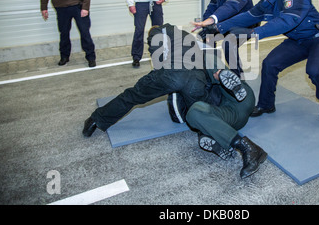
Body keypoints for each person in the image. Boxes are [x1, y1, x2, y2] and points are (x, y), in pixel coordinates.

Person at [82, 24, 267, 179]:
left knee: (136, 96)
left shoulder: (156, 32)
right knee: (207, 82)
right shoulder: (184, 36)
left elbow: (159, 58)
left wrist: (154, 79)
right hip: (236, 100)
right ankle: (223, 102)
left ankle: (97, 120)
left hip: (177, 74)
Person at [203, 0, 319, 119]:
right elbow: (250, 15)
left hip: (318, 39)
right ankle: (266, 105)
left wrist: (253, 32)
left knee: (314, 70)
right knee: (269, 64)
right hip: (297, 41)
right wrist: (218, 26)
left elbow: (287, 22)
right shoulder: (268, 1)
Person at [193, 0, 254, 77]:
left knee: (229, 43)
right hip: (227, 24)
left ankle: (237, 78)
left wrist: (212, 20)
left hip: (246, 25)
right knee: (206, 36)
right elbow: (209, 11)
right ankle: (213, 71)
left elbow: (230, 7)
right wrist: (204, 24)